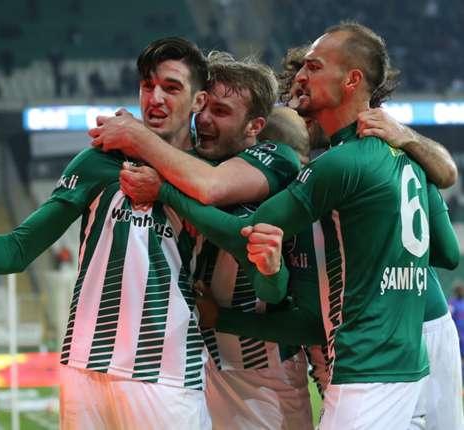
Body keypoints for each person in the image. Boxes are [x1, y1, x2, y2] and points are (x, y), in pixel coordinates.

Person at [0, 37, 212, 429]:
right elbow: (18, 249)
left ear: (199, 100)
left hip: (167, 375)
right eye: (147, 85)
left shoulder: (211, 176)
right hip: (85, 370)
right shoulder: (99, 161)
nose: (155, 98)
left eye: (171, 88)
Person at [152, 22, 459, 429]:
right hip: (421, 334)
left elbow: (257, 245)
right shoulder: (395, 155)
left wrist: (162, 184)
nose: (299, 92)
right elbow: (448, 252)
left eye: (312, 73)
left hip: (379, 348)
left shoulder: (334, 170)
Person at [91, 52, 314, 429]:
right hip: (204, 361)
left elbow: (226, 216)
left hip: (264, 371)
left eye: (222, 111)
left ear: (255, 125)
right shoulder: (192, 161)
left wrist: (148, 156)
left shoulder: (275, 158)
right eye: (203, 107)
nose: (204, 119)